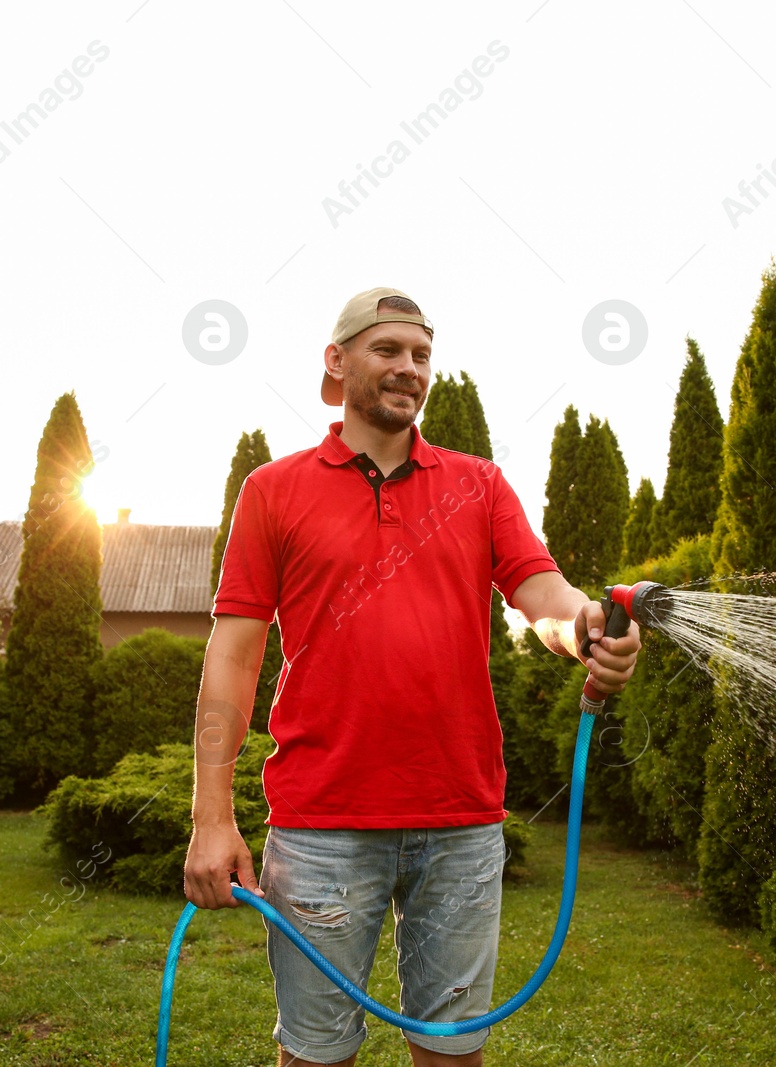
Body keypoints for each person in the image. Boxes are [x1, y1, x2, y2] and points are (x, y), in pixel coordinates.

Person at [183, 287, 641, 1067]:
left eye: (421, 355)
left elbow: (543, 595)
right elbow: (232, 657)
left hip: (459, 821)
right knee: (317, 1054)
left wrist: (585, 626)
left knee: (452, 1052)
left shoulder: (478, 485)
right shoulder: (273, 491)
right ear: (337, 362)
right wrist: (211, 816)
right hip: (323, 823)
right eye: (387, 350)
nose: (408, 368)